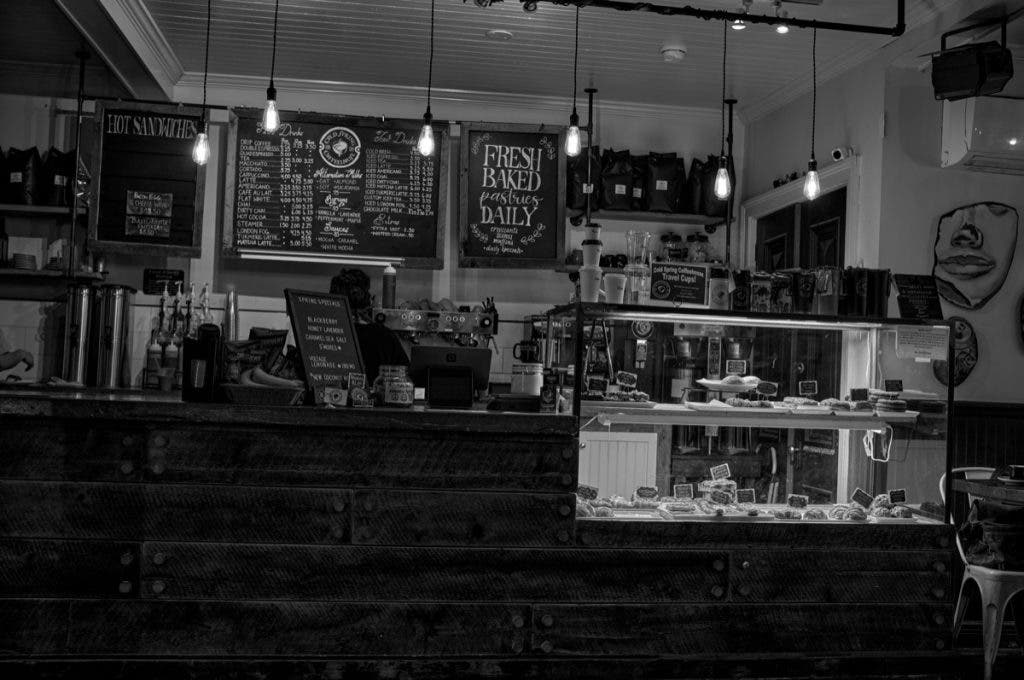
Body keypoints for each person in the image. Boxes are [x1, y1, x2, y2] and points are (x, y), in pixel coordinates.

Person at [329, 268, 408, 385]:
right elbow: (406, 377)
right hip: (378, 400)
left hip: (331, 399)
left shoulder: (323, 332)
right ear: (367, 299)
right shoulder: (385, 336)